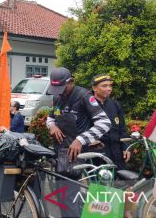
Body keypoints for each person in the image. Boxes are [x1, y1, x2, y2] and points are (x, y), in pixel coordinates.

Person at [46, 67, 111, 218]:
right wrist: (52, 126)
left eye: (61, 88)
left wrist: (80, 139)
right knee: (62, 197)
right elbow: (50, 118)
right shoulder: (57, 97)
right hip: (60, 153)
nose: (59, 92)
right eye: (55, 88)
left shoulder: (84, 96)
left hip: (77, 155)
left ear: (71, 82)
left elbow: (104, 123)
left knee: (68, 198)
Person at [91, 74, 131, 170]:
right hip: (99, 155)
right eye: (104, 86)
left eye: (110, 86)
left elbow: (122, 129)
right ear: (94, 88)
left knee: (120, 183)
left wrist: (126, 148)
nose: (109, 89)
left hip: (117, 155)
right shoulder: (88, 105)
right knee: (99, 184)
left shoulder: (115, 104)